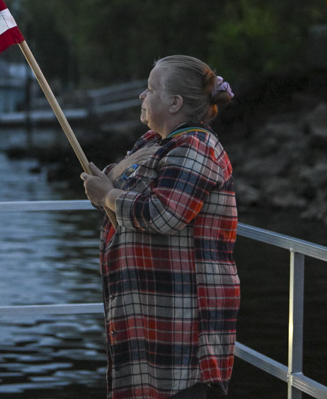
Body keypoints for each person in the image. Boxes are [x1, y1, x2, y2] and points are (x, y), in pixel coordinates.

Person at [81, 55, 239, 399]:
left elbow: (163, 213)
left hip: (182, 321)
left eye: (151, 89)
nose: (142, 95)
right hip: (150, 315)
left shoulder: (195, 147)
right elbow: (120, 191)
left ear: (174, 103)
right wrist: (109, 185)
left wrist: (108, 195)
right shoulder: (155, 142)